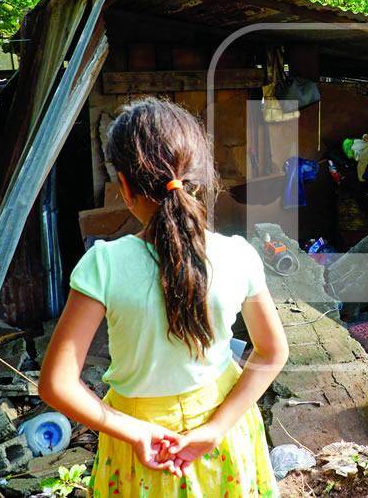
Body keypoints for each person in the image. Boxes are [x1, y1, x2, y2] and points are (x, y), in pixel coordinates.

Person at [39, 97, 288, 496]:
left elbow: (56, 384)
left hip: (140, 445)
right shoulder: (239, 254)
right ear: (198, 179)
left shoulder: (103, 264)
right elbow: (272, 352)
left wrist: (135, 432)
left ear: (123, 184)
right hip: (224, 432)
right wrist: (214, 429)